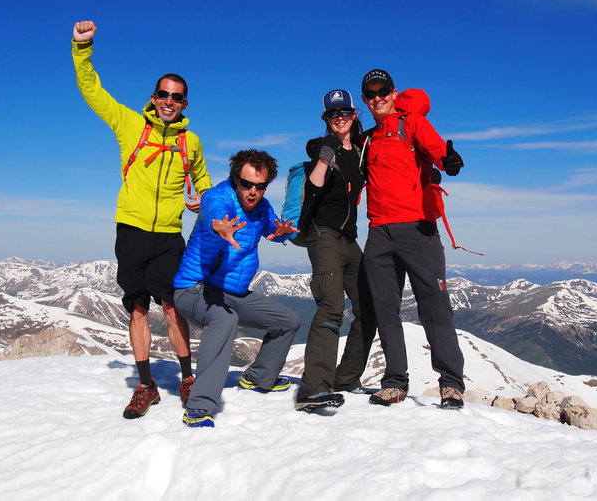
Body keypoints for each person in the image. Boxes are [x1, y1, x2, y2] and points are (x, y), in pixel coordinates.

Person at [72, 20, 212, 419]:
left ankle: (187, 378)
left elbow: (203, 181)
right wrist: (83, 47)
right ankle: (146, 386)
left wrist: (201, 199)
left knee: (173, 307)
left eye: (178, 97)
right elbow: (92, 91)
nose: (170, 101)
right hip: (131, 231)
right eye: (164, 94)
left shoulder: (191, 141)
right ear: (153, 97)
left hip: (169, 234)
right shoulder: (131, 125)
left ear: (186, 103)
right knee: (137, 308)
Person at [358, 69, 467, 409]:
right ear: (364, 99)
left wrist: (447, 159)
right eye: (370, 93)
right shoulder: (368, 139)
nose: (377, 98)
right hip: (379, 231)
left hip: (418, 229)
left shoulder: (411, 124)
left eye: (383, 91)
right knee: (385, 310)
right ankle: (394, 382)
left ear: (393, 93)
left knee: (434, 308)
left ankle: (451, 384)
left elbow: (435, 146)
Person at [173, 149, 301, 427]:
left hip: (232, 292)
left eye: (260, 186)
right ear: (234, 180)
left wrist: (280, 233)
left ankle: (257, 377)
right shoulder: (218, 198)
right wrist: (220, 225)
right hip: (194, 289)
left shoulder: (262, 207)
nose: (253, 191)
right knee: (224, 318)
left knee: (288, 321)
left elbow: (270, 229)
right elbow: (213, 211)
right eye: (246, 184)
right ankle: (199, 406)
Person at [294, 90, 378, 413]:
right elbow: (314, 186)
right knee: (331, 306)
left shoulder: (359, 153)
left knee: (367, 306)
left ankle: (346, 378)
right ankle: (313, 388)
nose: (339, 117)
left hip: (349, 239)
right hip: (323, 235)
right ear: (326, 119)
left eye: (345, 112)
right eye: (333, 114)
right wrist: (326, 156)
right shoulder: (320, 146)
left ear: (354, 115)